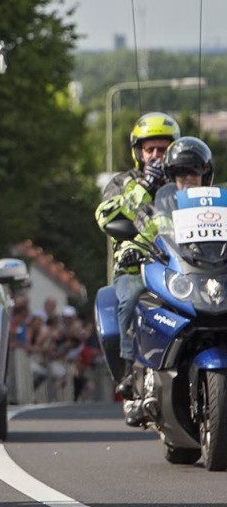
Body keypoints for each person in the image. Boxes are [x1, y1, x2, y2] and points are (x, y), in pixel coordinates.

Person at [94, 111, 179, 424]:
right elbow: (106, 215)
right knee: (129, 300)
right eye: (150, 149)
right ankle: (129, 381)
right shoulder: (123, 183)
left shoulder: (184, 181)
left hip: (181, 266)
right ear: (138, 152)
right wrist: (145, 185)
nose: (156, 155)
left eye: (162, 149)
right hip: (137, 266)